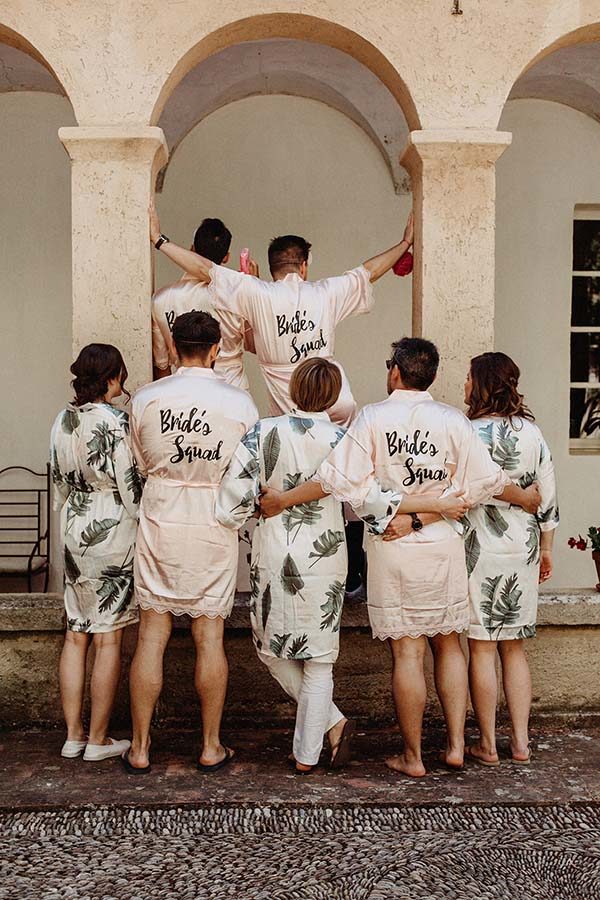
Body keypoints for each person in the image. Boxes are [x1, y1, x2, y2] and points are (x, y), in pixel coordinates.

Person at [260, 338, 542, 777]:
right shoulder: (452, 420)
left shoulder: (372, 418)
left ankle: (413, 756)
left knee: (408, 654)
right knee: (449, 645)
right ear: (431, 375)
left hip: (392, 545)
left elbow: (346, 483)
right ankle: (454, 746)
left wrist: (401, 510)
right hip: (443, 544)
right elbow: (482, 484)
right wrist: (436, 507)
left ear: (395, 371)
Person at [216, 358, 393, 773]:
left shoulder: (262, 432)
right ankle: (319, 740)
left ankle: (319, 739)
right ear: (332, 397)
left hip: (275, 553)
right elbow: (369, 500)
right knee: (319, 658)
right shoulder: (344, 439)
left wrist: (252, 508)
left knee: (269, 648)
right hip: (326, 556)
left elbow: (231, 502)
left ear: (294, 389)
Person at [124, 311, 259, 774]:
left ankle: (140, 747)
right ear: (216, 350)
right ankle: (210, 745)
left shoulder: (146, 398)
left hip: (160, 514)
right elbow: (247, 470)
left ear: (174, 348)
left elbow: (139, 461)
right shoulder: (240, 403)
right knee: (209, 635)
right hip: (212, 520)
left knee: (152, 634)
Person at [149, 198, 413, 427]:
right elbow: (370, 272)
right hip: (336, 404)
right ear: (304, 266)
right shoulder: (326, 293)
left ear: (272, 266)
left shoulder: (256, 293)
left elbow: (204, 269)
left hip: (287, 416)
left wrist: (159, 240)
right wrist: (405, 243)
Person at [462, 352, 559, 767]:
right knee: (514, 648)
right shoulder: (532, 434)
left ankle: (487, 744)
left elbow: (462, 491)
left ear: (482, 383)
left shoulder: (466, 433)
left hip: (479, 548)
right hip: (523, 546)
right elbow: (547, 497)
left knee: (482, 647)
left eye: (469, 378)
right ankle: (520, 743)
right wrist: (548, 548)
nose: (464, 384)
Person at [50, 344, 141, 762]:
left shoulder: (62, 420)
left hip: (74, 525)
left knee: (75, 633)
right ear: (112, 377)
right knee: (108, 638)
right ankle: (98, 740)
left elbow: (59, 482)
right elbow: (130, 489)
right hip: (111, 527)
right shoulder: (117, 423)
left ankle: (73, 736)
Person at [152, 217, 252, 389]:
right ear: (226, 257)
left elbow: (161, 365)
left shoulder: (161, 299)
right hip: (233, 388)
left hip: (184, 392)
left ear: (192, 249)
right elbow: (253, 344)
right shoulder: (237, 295)